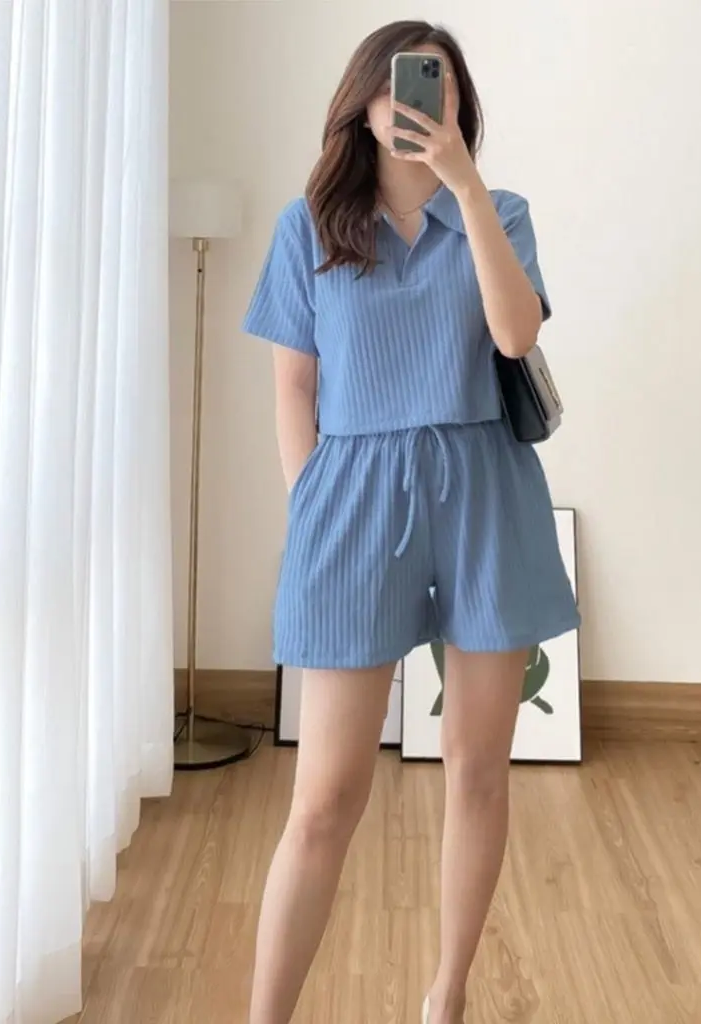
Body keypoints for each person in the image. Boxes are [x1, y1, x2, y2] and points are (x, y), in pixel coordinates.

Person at [241, 19, 579, 1024]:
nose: (420, 105)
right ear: (362, 103)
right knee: (324, 799)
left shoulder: (499, 213)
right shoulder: (308, 227)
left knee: (475, 772)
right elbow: (293, 388)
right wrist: (311, 505)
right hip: (353, 499)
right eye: (401, 87)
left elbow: (514, 335)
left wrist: (464, 188)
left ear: (460, 108)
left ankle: (447, 994)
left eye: (439, 89)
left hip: (483, 490)